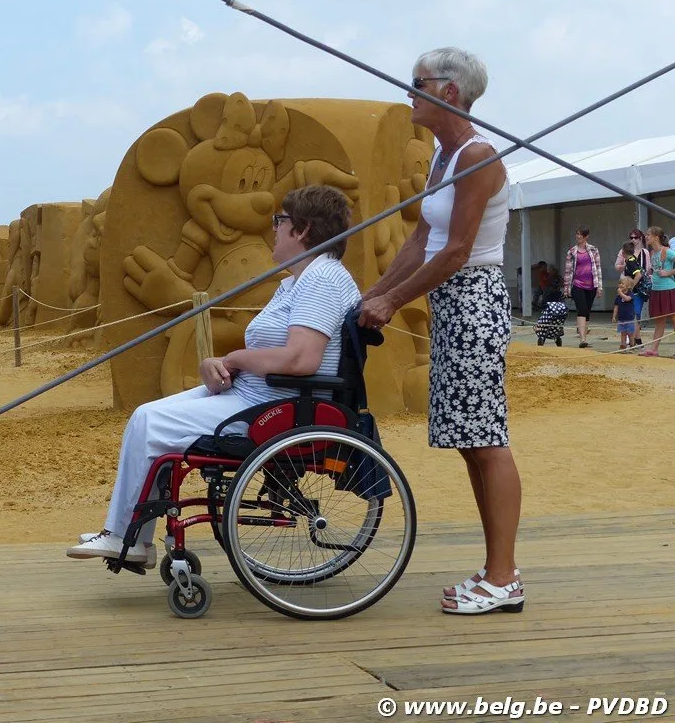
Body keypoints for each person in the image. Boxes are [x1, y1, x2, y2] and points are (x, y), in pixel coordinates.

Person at [66, 185, 360, 563]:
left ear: (302, 229)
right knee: (146, 417)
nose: (274, 228)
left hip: (279, 405)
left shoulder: (322, 280)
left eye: (280, 221)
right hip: (259, 394)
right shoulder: (298, 282)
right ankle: (129, 535)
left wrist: (236, 358)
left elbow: (301, 360)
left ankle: (127, 537)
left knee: (149, 423)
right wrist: (219, 363)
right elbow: (276, 353)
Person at [359, 47, 523, 615]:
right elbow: (420, 241)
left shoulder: (478, 156)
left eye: (418, 82)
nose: (409, 91)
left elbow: (455, 252)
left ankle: (504, 577)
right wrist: (373, 294)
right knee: (471, 444)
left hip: (474, 300)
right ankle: (497, 569)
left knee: (487, 440)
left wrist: (392, 302)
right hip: (452, 303)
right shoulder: (443, 156)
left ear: (449, 91)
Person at [562, 226, 602, 348]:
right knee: (582, 309)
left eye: (581, 234)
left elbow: (598, 268)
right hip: (577, 284)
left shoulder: (594, 250)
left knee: (587, 311)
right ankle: (582, 339)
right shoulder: (571, 252)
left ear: (586, 236)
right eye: (577, 234)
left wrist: (599, 287)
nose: (578, 236)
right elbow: (568, 271)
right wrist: (566, 288)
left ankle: (584, 335)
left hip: (591, 285)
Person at [641, 226, 675, 357]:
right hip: (656, 290)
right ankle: (654, 349)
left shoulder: (667, 251)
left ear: (656, 237)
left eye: (648, 234)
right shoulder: (652, 253)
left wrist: (669, 272)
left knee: (674, 319)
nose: (646, 237)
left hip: (668, 289)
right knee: (659, 321)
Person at [612, 276, 637, 350]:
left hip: (629, 318)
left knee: (630, 333)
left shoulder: (630, 294)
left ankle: (632, 345)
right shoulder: (618, 297)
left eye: (622, 283)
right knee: (623, 333)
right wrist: (614, 316)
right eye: (619, 283)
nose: (620, 285)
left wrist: (620, 293)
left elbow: (627, 299)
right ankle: (623, 345)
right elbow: (616, 307)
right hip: (621, 318)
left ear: (628, 286)